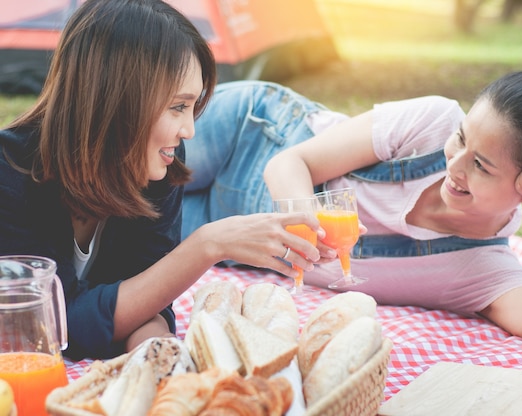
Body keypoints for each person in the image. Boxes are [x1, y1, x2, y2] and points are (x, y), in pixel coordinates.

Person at [184, 72, 522, 355]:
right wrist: (304, 219)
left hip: (230, 235)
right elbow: (289, 163)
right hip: (251, 134)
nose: (455, 166)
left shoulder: (483, 270)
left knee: (117, 229)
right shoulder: (431, 122)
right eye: (461, 139)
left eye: (482, 166)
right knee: (119, 167)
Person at [0, 0, 320, 360]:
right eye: (178, 107)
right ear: (118, 98)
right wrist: (206, 246)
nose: (190, 130)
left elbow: (146, 296)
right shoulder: (10, 174)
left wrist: (155, 356)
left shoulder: (159, 165)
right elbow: (57, 327)